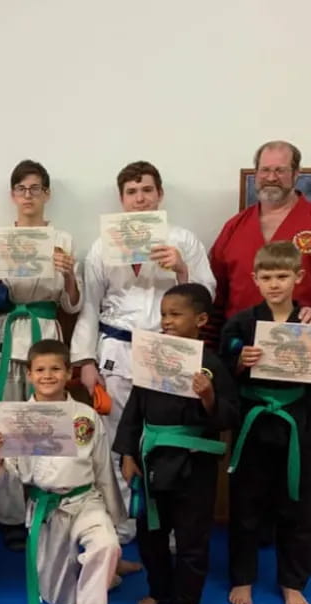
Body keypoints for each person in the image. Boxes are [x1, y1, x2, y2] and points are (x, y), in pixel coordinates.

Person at [207, 141, 311, 573]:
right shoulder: (234, 228)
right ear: (255, 173)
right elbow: (219, 297)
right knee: (253, 456)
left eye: (280, 169)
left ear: (297, 174)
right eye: (265, 169)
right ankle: (255, 536)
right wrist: (216, 353)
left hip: (305, 362)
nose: (271, 177)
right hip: (248, 360)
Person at [70, 161, 216, 545]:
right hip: (117, 348)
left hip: (169, 350)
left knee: (166, 437)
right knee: (118, 438)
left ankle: (167, 524)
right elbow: (89, 305)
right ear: (122, 199)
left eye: (147, 190)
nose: (140, 198)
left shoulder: (183, 241)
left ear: (160, 195)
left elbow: (208, 297)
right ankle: (122, 522)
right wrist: (85, 361)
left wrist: (183, 270)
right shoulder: (103, 246)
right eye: (132, 192)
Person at [220, 242, 311, 604]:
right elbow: (223, 368)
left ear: (298, 278)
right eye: (266, 277)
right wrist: (240, 362)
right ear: (255, 279)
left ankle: (293, 582)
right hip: (253, 423)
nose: (274, 284)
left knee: (297, 505)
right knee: (245, 503)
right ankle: (242, 578)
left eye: (281, 276)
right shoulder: (241, 323)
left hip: (298, 425)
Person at [0, 339, 125, 604]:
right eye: (41, 370)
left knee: (106, 546)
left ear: (68, 373)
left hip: (85, 500)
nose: (48, 376)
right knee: (59, 598)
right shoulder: (16, 419)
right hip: (46, 509)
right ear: (29, 375)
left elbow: (103, 466)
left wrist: (114, 519)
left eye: (56, 369)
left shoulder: (85, 416)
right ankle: (107, 574)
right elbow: (5, 477)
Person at [0, 159, 81, 551]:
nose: (28, 196)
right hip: (8, 331)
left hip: (45, 335)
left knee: (45, 421)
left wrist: (68, 273)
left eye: (36, 188)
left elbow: (70, 305)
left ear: (47, 193)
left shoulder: (62, 239)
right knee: (8, 424)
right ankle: (11, 515)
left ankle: (49, 505)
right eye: (21, 189)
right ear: (13, 195)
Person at [113, 284, 239, 604]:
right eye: (164, 314)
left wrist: (209, 397)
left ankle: (186, 603)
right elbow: (134, 408)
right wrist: (127, 452)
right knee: (150, 532)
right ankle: (160, 590)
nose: (166, 321)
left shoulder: (211, 364)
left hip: (193, 463)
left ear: (200, 319)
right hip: (152, 457)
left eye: (175, 314)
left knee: (190, 537)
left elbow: (230, 416)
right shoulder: (153, 357)